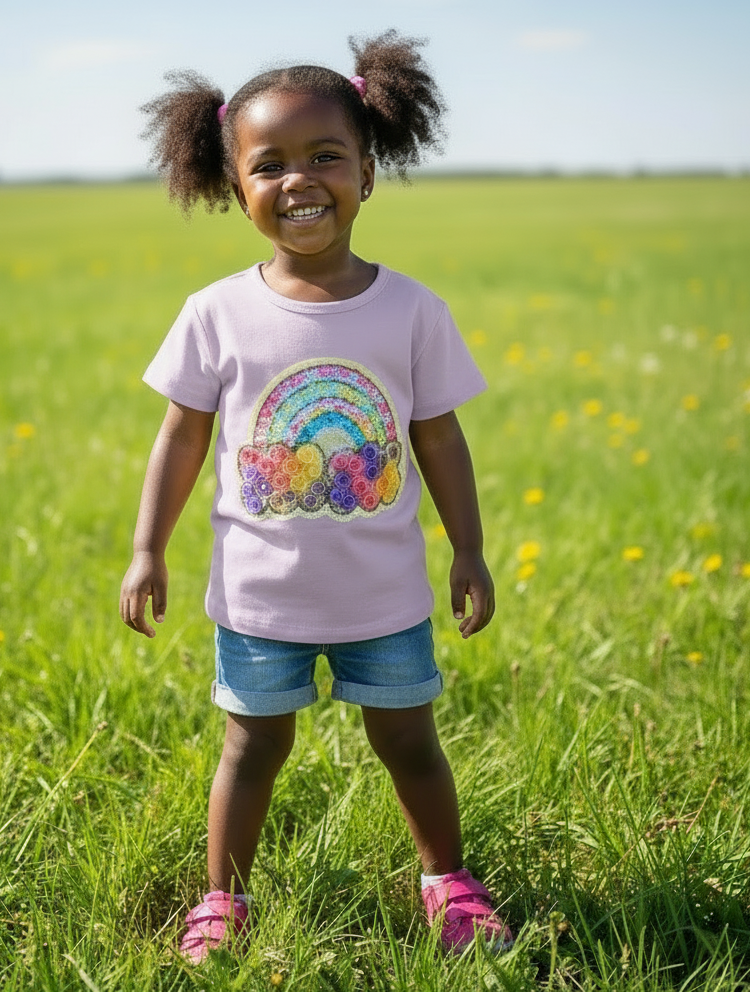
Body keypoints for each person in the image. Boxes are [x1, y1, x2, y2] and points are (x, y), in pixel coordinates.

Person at [120, 29, 513, 962]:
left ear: (368, 173)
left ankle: (448, 884)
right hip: (261, 598)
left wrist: (468, 547)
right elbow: (181, 437)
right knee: (251, 749)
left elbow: (439, 437)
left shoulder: (411, 309)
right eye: (270, 165)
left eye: (326, 156)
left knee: (409, 743)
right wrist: (146, 549)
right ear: (236, 189)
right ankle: (224, 900)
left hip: (385, 596)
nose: (299, 180)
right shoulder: (216, 313)